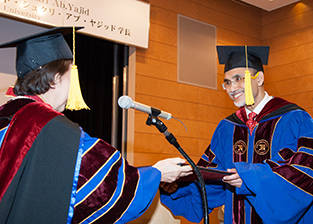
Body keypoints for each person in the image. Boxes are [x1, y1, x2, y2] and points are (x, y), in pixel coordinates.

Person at [0, 27, 192, 224]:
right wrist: (157, 174)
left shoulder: (6, 115)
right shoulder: (50, 126)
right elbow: (104, 190)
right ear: (56, 79)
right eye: (70, 77)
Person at [160, 45, 313, 224]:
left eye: (239, 79)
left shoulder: (295, 119)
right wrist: (178, 186)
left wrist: (250, 178)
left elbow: (305, 171)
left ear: (260, 78)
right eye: (227, 82)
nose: (232, 88)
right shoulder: (227, 127)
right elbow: (212, 174)